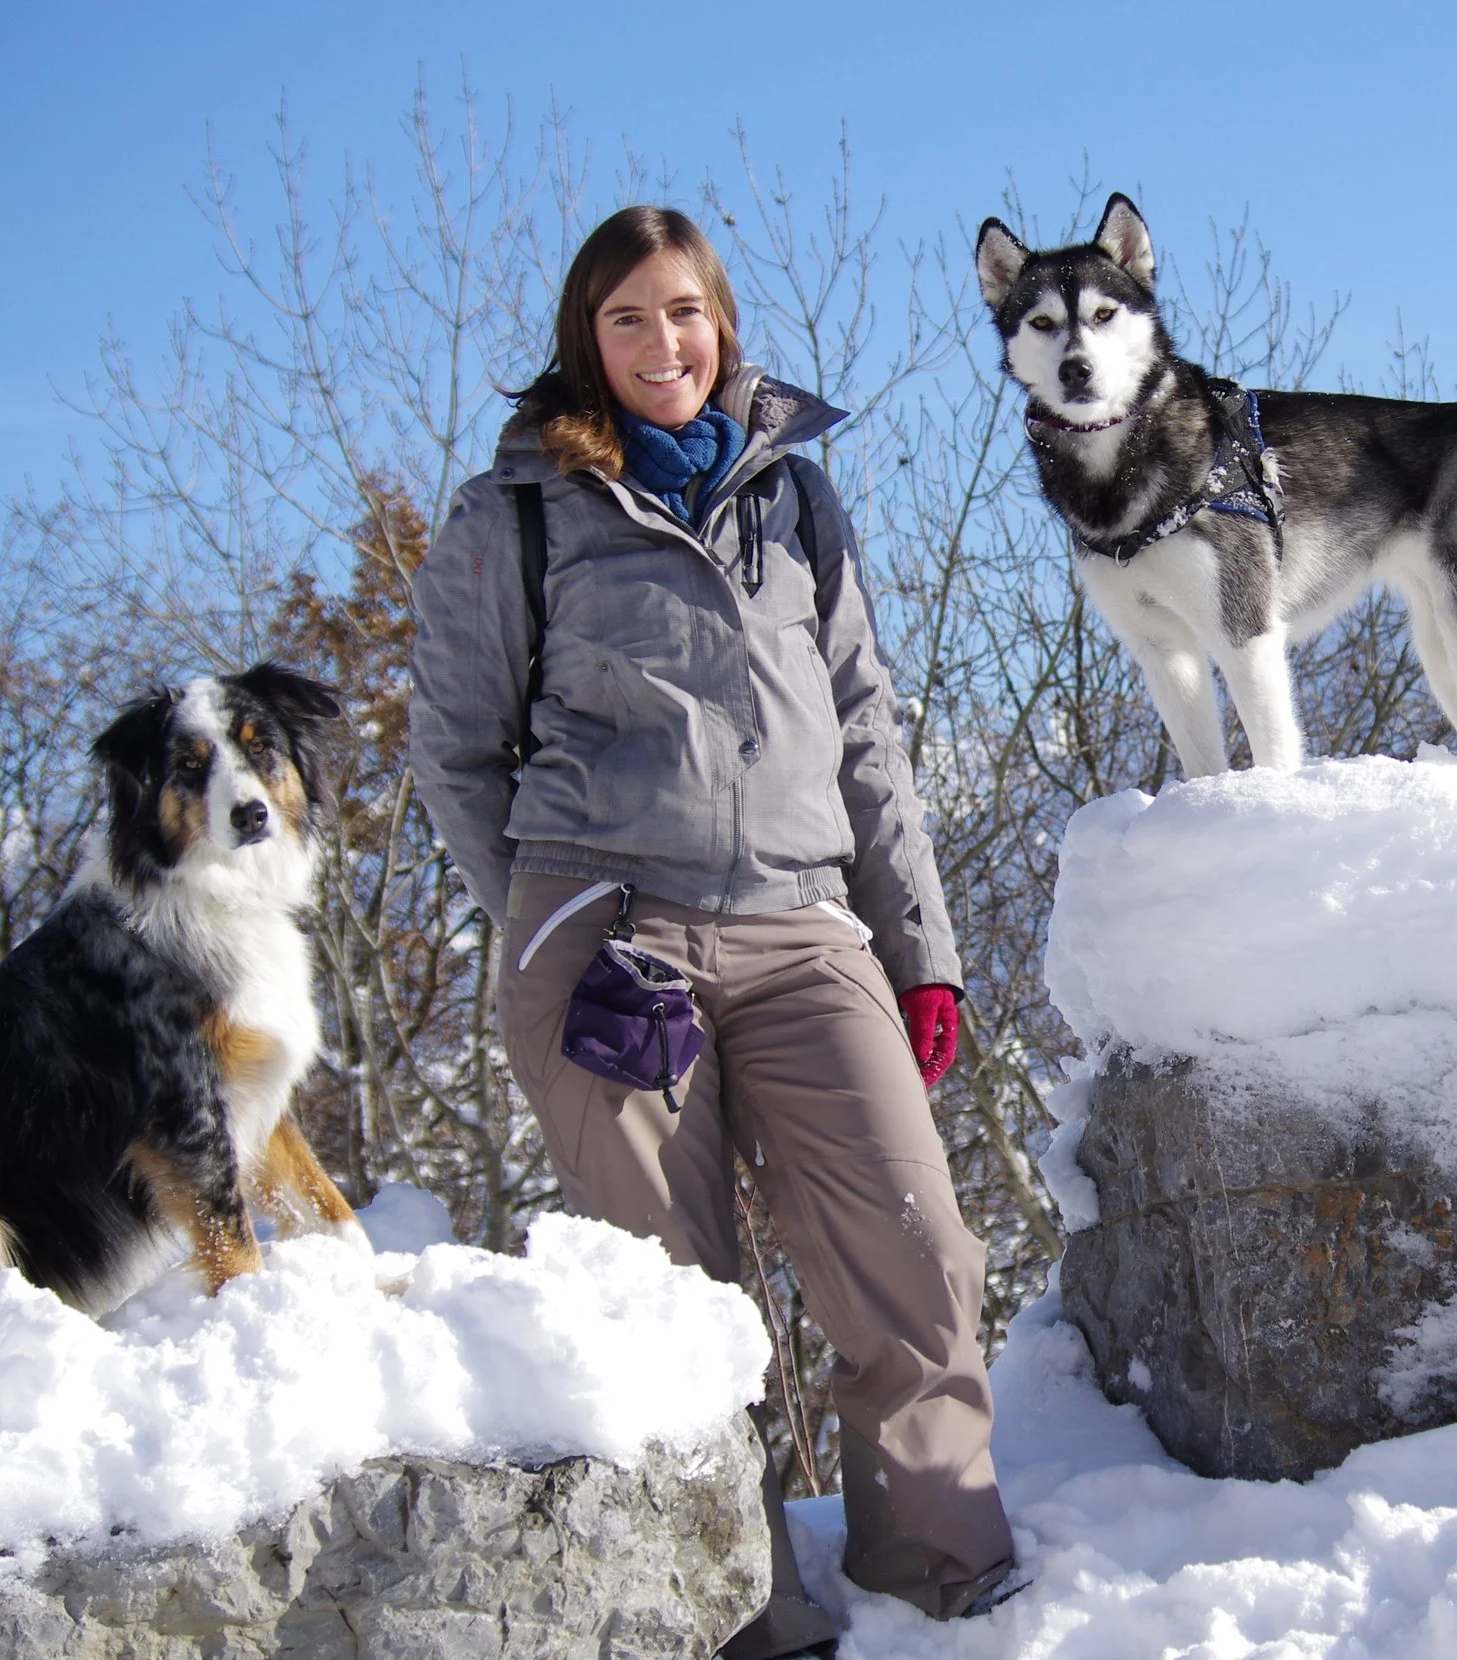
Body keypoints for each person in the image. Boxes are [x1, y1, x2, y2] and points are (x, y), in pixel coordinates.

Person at [409, 205, 1015, 1656]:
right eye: (626, 319)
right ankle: (742, 1613)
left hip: (807, 929)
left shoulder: (796, 500)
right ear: (587, 341)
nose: (660, 343)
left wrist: (916, 951)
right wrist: (550, 922)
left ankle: (946, 1581)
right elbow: (454, 751)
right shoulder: (519, 516)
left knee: (917, 1250)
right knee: (675, 1305)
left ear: (722, 323)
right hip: (612, 935)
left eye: (683, 312)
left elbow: (867, 732)